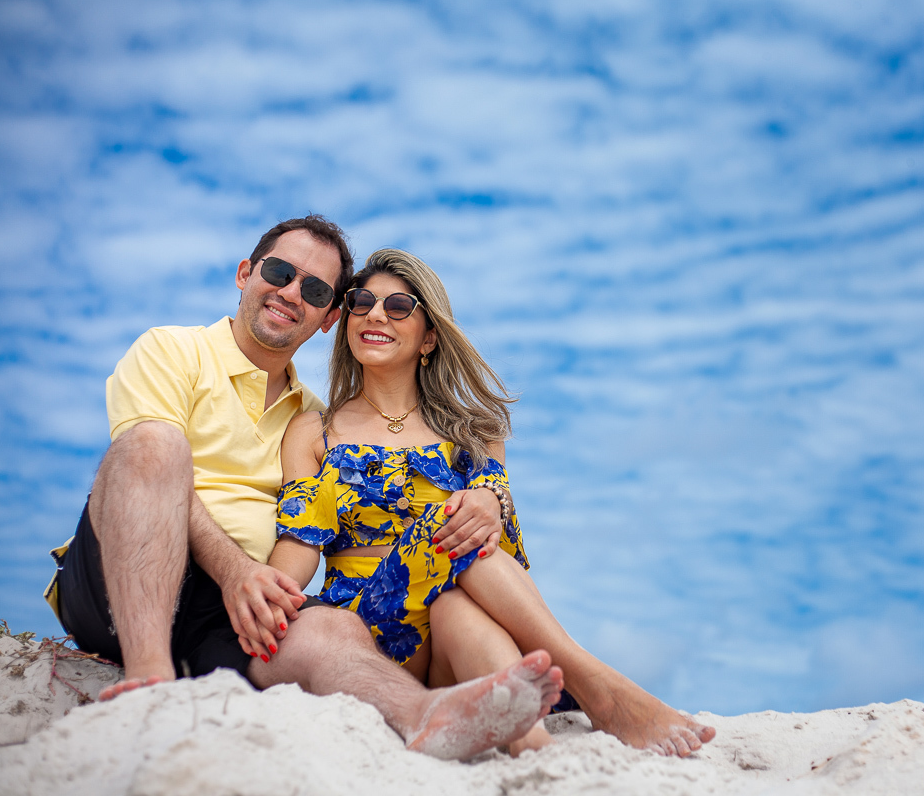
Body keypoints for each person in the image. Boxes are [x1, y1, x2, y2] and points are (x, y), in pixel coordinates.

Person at [44, 216, 563, 760]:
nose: (291, 293)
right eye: (279, 272)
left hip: (234, 610)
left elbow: (301, 542)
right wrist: (236, 570)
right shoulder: (173, 350)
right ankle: (151, 685)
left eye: (315, 290)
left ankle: (421, 715)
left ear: (328, 317)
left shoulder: (313, 420)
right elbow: (142, 471)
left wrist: (264, 590)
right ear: (245, 274)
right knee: (155, 444)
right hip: (122, 579)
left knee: (333, 632)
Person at [265, 248, 717, 757]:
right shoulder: (314, 431)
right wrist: (262, 595)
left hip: (447, 647)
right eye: (362, 302)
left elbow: (497, 526)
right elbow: (299, 543)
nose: (375, 315)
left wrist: (489, 498)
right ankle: (595, 683)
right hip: (371, 637)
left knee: (455, 600)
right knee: (455, 519)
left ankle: (536, 752)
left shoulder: (474, 432)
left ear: (429, 337)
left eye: (398, 307)